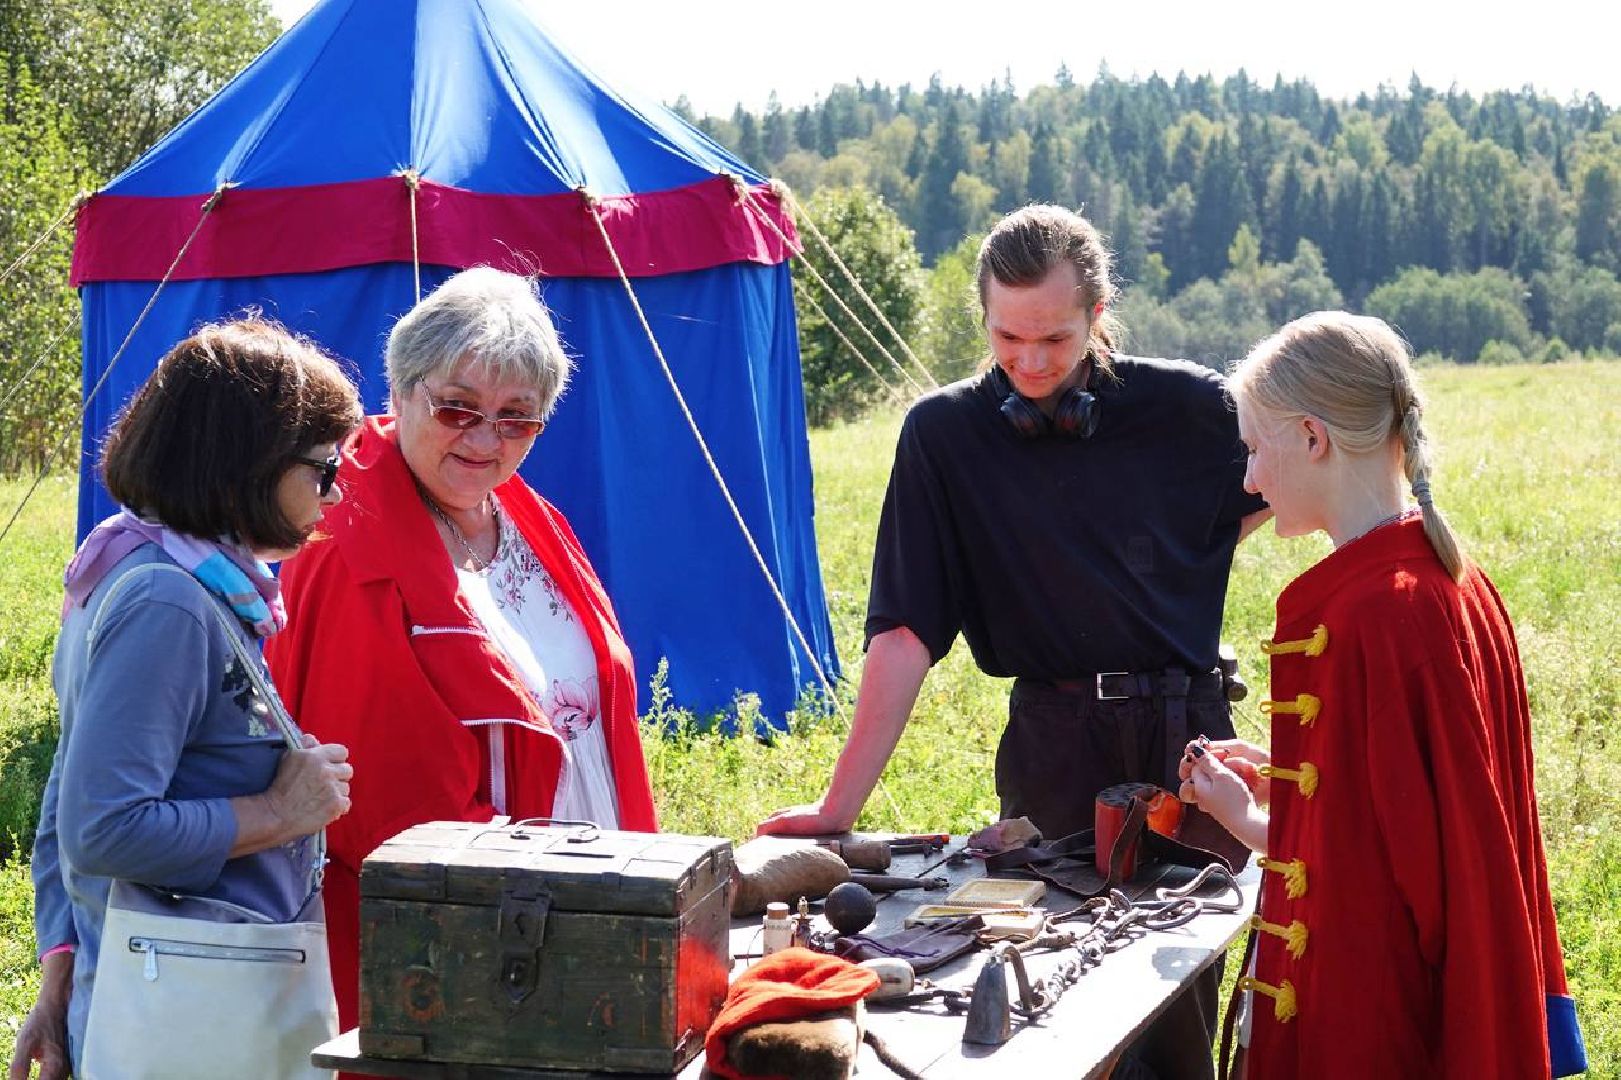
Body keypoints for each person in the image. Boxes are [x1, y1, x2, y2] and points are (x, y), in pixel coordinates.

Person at [759, 205, 1269, 1079]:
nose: (1030, 362)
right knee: (1050, 982)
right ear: (982, 318)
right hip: (1056, 744)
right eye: (1008, 338)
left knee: (1178, 986)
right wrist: (838, 807)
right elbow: (906, 632)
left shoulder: (1193, 408)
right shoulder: (945, 437)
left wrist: (1178, 567)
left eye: (1056, 340)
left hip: (1189, 743)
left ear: (1098, 316)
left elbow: (1290, 486)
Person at [1179, 311, 1586, 1077]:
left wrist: (1244, 817)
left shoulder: (1378, 611)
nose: (1249, 479)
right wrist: (1291, 785)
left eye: (1254, 448)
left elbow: (1389, 884)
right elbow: (1399, 823)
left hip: (1377, 1022)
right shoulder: (1453, 580)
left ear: (1311, 437)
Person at [266, 266, 658, 1037]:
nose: (485, 439)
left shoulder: (518, 510)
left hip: (568, 899)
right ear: (402, 390)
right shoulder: (350, 542)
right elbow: (379, 804)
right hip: (453, 944)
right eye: (457, 408)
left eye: (518, 419)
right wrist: (561, 890)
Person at [9, 319, 362, 1080]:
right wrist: (278, 814)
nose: (334, 496)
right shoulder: (168, 603)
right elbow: (101, 828)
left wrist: (64, 970)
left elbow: (67, 791)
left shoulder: (143, 563)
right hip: (193, 1003)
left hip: (171, 987)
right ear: (245, 466)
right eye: (325, 470)